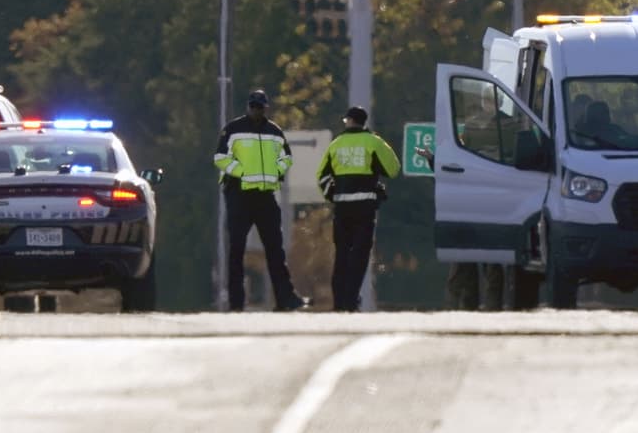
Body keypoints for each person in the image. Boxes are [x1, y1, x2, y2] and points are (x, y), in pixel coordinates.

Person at [213, 89, 309, 312]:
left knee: (275, 250)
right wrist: (241, 172)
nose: (256, 110)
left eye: (260, 107)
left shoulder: (274, 131)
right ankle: (236, 302)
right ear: (248, 106)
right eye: (253, 106)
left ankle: (285, 298)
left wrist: (276, 171)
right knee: (236, 250)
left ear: (266, 108)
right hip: (240, 195)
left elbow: (287, 157)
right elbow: (220, 157)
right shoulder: (233, 129)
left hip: (265, 197)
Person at [316, 106, 401, 312]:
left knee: (342, 255)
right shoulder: (374, 142)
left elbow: (322, 177)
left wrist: (333, 195)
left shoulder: (336, 144)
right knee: (360, 256)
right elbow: (394, 169)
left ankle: (339, 303)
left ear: (349, 121)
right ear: (364, 122)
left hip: (342, 208)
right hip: (365, 208)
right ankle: (351, 301)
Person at [415, 146, 505, 311]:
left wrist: (432, 159)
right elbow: (446, 176)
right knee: (468, 273)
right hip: (477, 225)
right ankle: (467, 310)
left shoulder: (482, 169)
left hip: (479, 225)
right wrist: (432, 159)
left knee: (475, 273)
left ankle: (475, 310)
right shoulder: (487, 169)